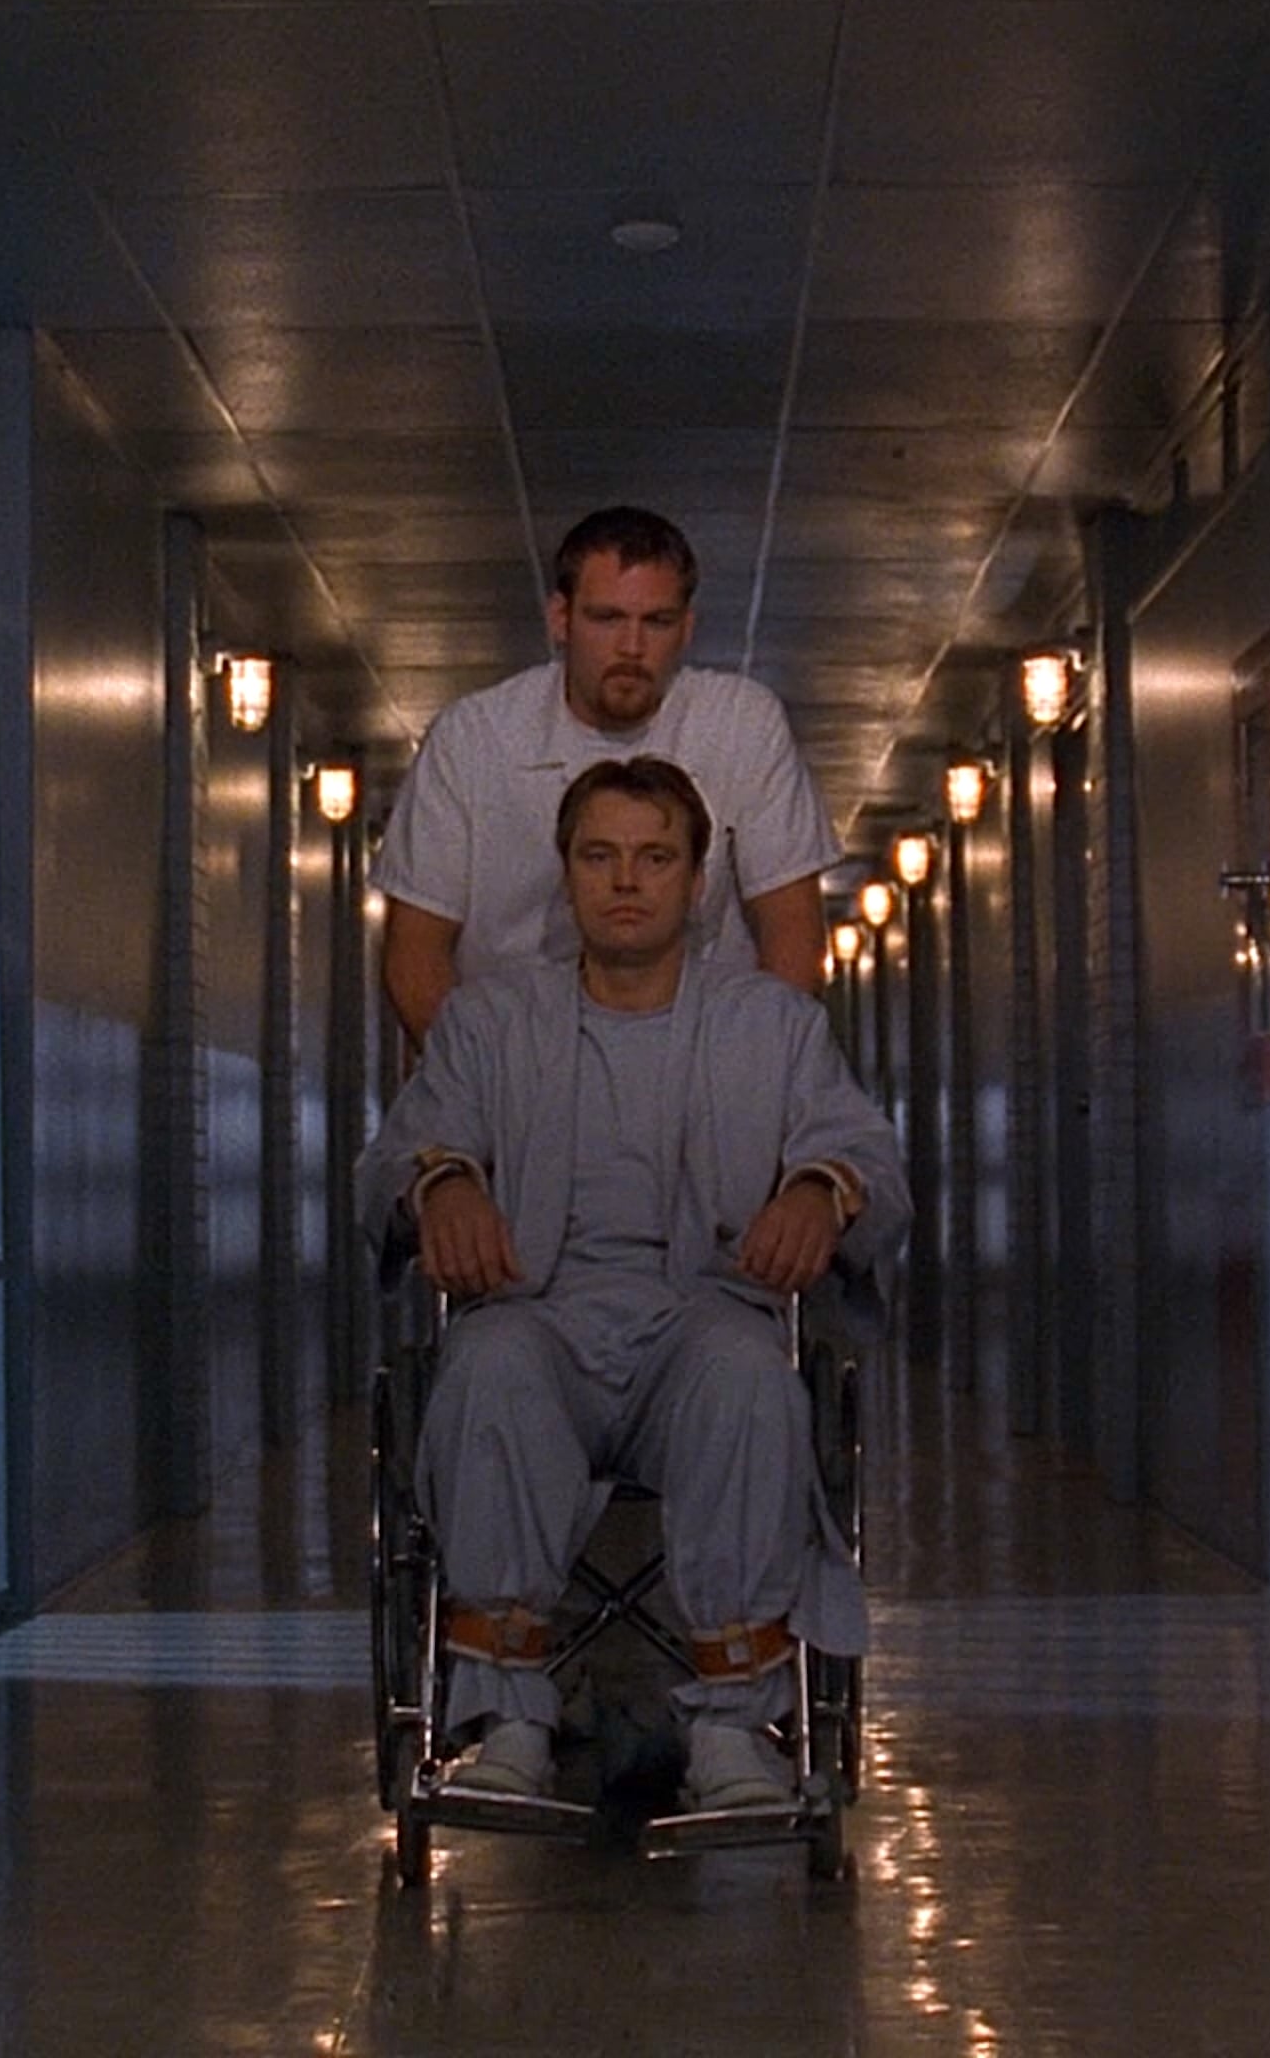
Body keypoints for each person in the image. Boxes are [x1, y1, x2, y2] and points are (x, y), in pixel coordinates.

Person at [358, 755, 902, 1812]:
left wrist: (819, 1191)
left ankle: (733, 1732)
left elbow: (867, 1156)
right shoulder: (488, 1023)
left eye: (656, 858)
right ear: (563, 873)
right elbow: (396, 1157)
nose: (625, 880)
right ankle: (511, 1720)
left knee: (749, 1375)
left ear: (697, 881)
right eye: (599, 855)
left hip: (702, 1318)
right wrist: (443, 1186)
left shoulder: (772, 1025)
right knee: (488, 1364)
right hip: (539, 1314)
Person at [374, 507, 841, 1043]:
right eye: (606, 619)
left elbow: (793, 930)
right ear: (560, 618)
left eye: (657, 622)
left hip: (704, 1055)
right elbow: (415, 954)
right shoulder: (472, 739)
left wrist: (753, 1071)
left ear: (687, 629)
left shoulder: (742, 724)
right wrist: (478, 1078)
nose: (632, 647)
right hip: (509, 1054)